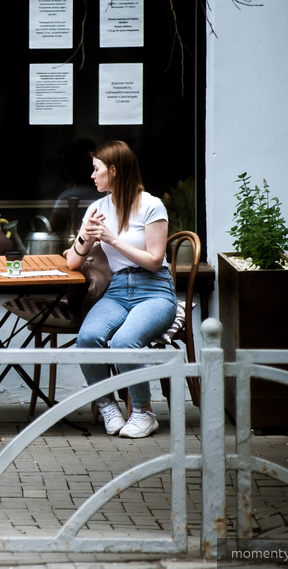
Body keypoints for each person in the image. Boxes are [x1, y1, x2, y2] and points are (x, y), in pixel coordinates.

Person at [66, 140, 177, 439]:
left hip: (155, 291)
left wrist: (112, 239)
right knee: (87, 338)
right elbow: (73, 262)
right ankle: (108, 406)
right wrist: (86, 239)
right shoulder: (97, 208)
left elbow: (155, 261)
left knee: (124, 342)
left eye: (97, 169)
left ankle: (143, 412)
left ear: (113, 171)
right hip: (117, 290)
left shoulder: (152, 206)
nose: (92, 176)